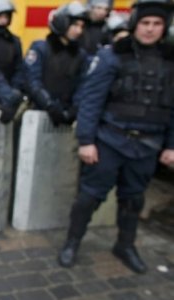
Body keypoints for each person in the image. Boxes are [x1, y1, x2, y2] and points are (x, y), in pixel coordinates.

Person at [58, 0, 174, 274]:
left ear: (164, 27)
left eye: (157, 24)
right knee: (89, 197)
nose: (150, 29)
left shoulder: (170, 61)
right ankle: (72, 242)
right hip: (110, 141)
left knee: (133, 200)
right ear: (135, 24)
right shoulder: (113, 55)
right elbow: (91, 101)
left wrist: (171, 145)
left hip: (147, 146)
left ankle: (125, 245)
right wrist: (86, 141)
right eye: (145, 23)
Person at [23, 1, 88, 126]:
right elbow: (32, 81)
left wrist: (74, 109)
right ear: (62, 22)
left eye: (82, 26)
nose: (79, 30)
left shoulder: (81, 55)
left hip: (67, 116)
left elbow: (82, 85)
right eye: (75, 25)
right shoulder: (40, 48)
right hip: (38, 114)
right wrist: (49, 104)